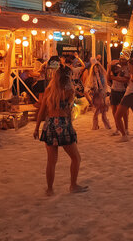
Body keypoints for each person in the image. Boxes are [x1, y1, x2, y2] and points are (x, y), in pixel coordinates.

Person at [33, 65, 88, 195]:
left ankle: (50, 189)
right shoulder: (69, 91)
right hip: (63, 124)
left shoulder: (49, 90)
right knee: (76, 158)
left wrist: (36, 128)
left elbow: (41, 111)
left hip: (50, 124)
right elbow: (69, 111)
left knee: (51, 161)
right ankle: (73, 185)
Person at [114, 56, 133, 141]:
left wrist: (131, 76)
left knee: (117, 116)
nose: (129, 69)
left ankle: (124, 135)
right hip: (131, 95)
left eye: (130, 67)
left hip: (129, 95)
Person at [108, 54, 129, 135]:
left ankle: (126, 128)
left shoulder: (126, 68)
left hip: (122, 91)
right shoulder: (115, 66)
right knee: (114, 110)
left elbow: (125, 80)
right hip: (114, 90)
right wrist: (109, 68)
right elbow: (108, 78)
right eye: (121, 59)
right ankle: (118, 128)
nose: (122, 60)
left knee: (124, 112)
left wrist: (114, 77)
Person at [87, 62, 111, 130]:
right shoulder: (92, 77)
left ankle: (107, 125)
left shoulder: (102, 76)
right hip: (96, 95)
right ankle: (95, 126)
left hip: (102, 95)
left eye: (97, 68)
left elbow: (103, 86)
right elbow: (90, 86)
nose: (96, 70)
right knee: (96, 111)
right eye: (95, 68)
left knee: (103, 112)